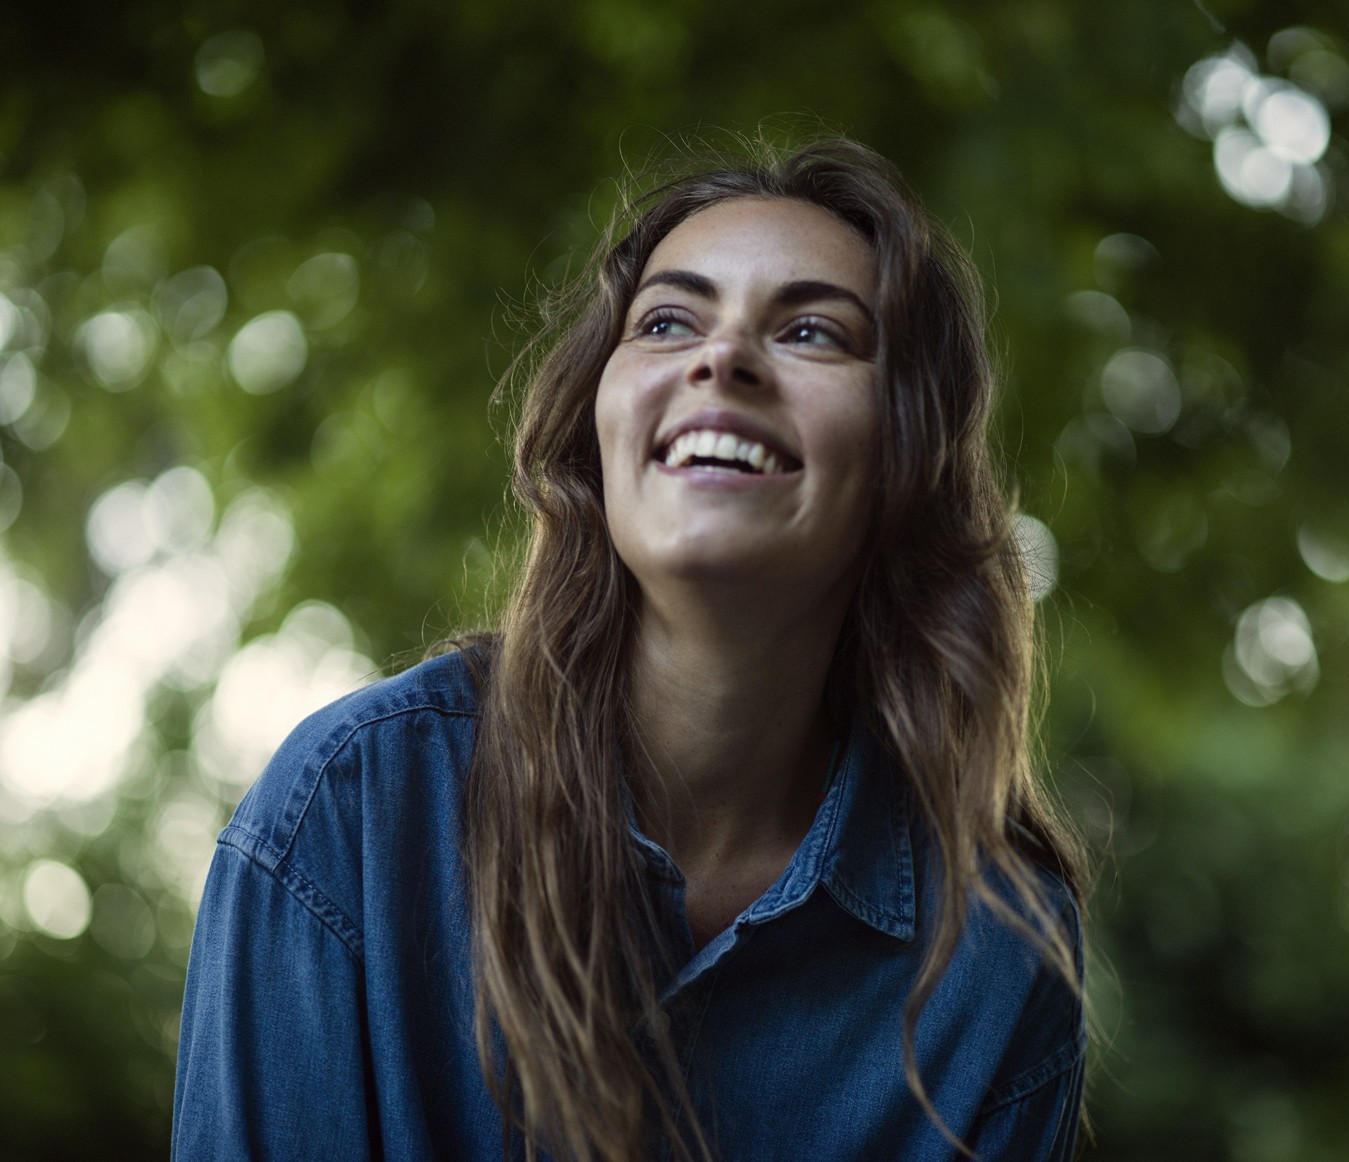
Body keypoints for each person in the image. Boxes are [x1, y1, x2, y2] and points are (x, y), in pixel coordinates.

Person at [172, 137, 1088, 1161]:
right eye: (666, 321)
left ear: (905, 456)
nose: (722, 356)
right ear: (598, 426)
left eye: (815, 332)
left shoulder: (995, 954)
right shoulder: (348, 812)